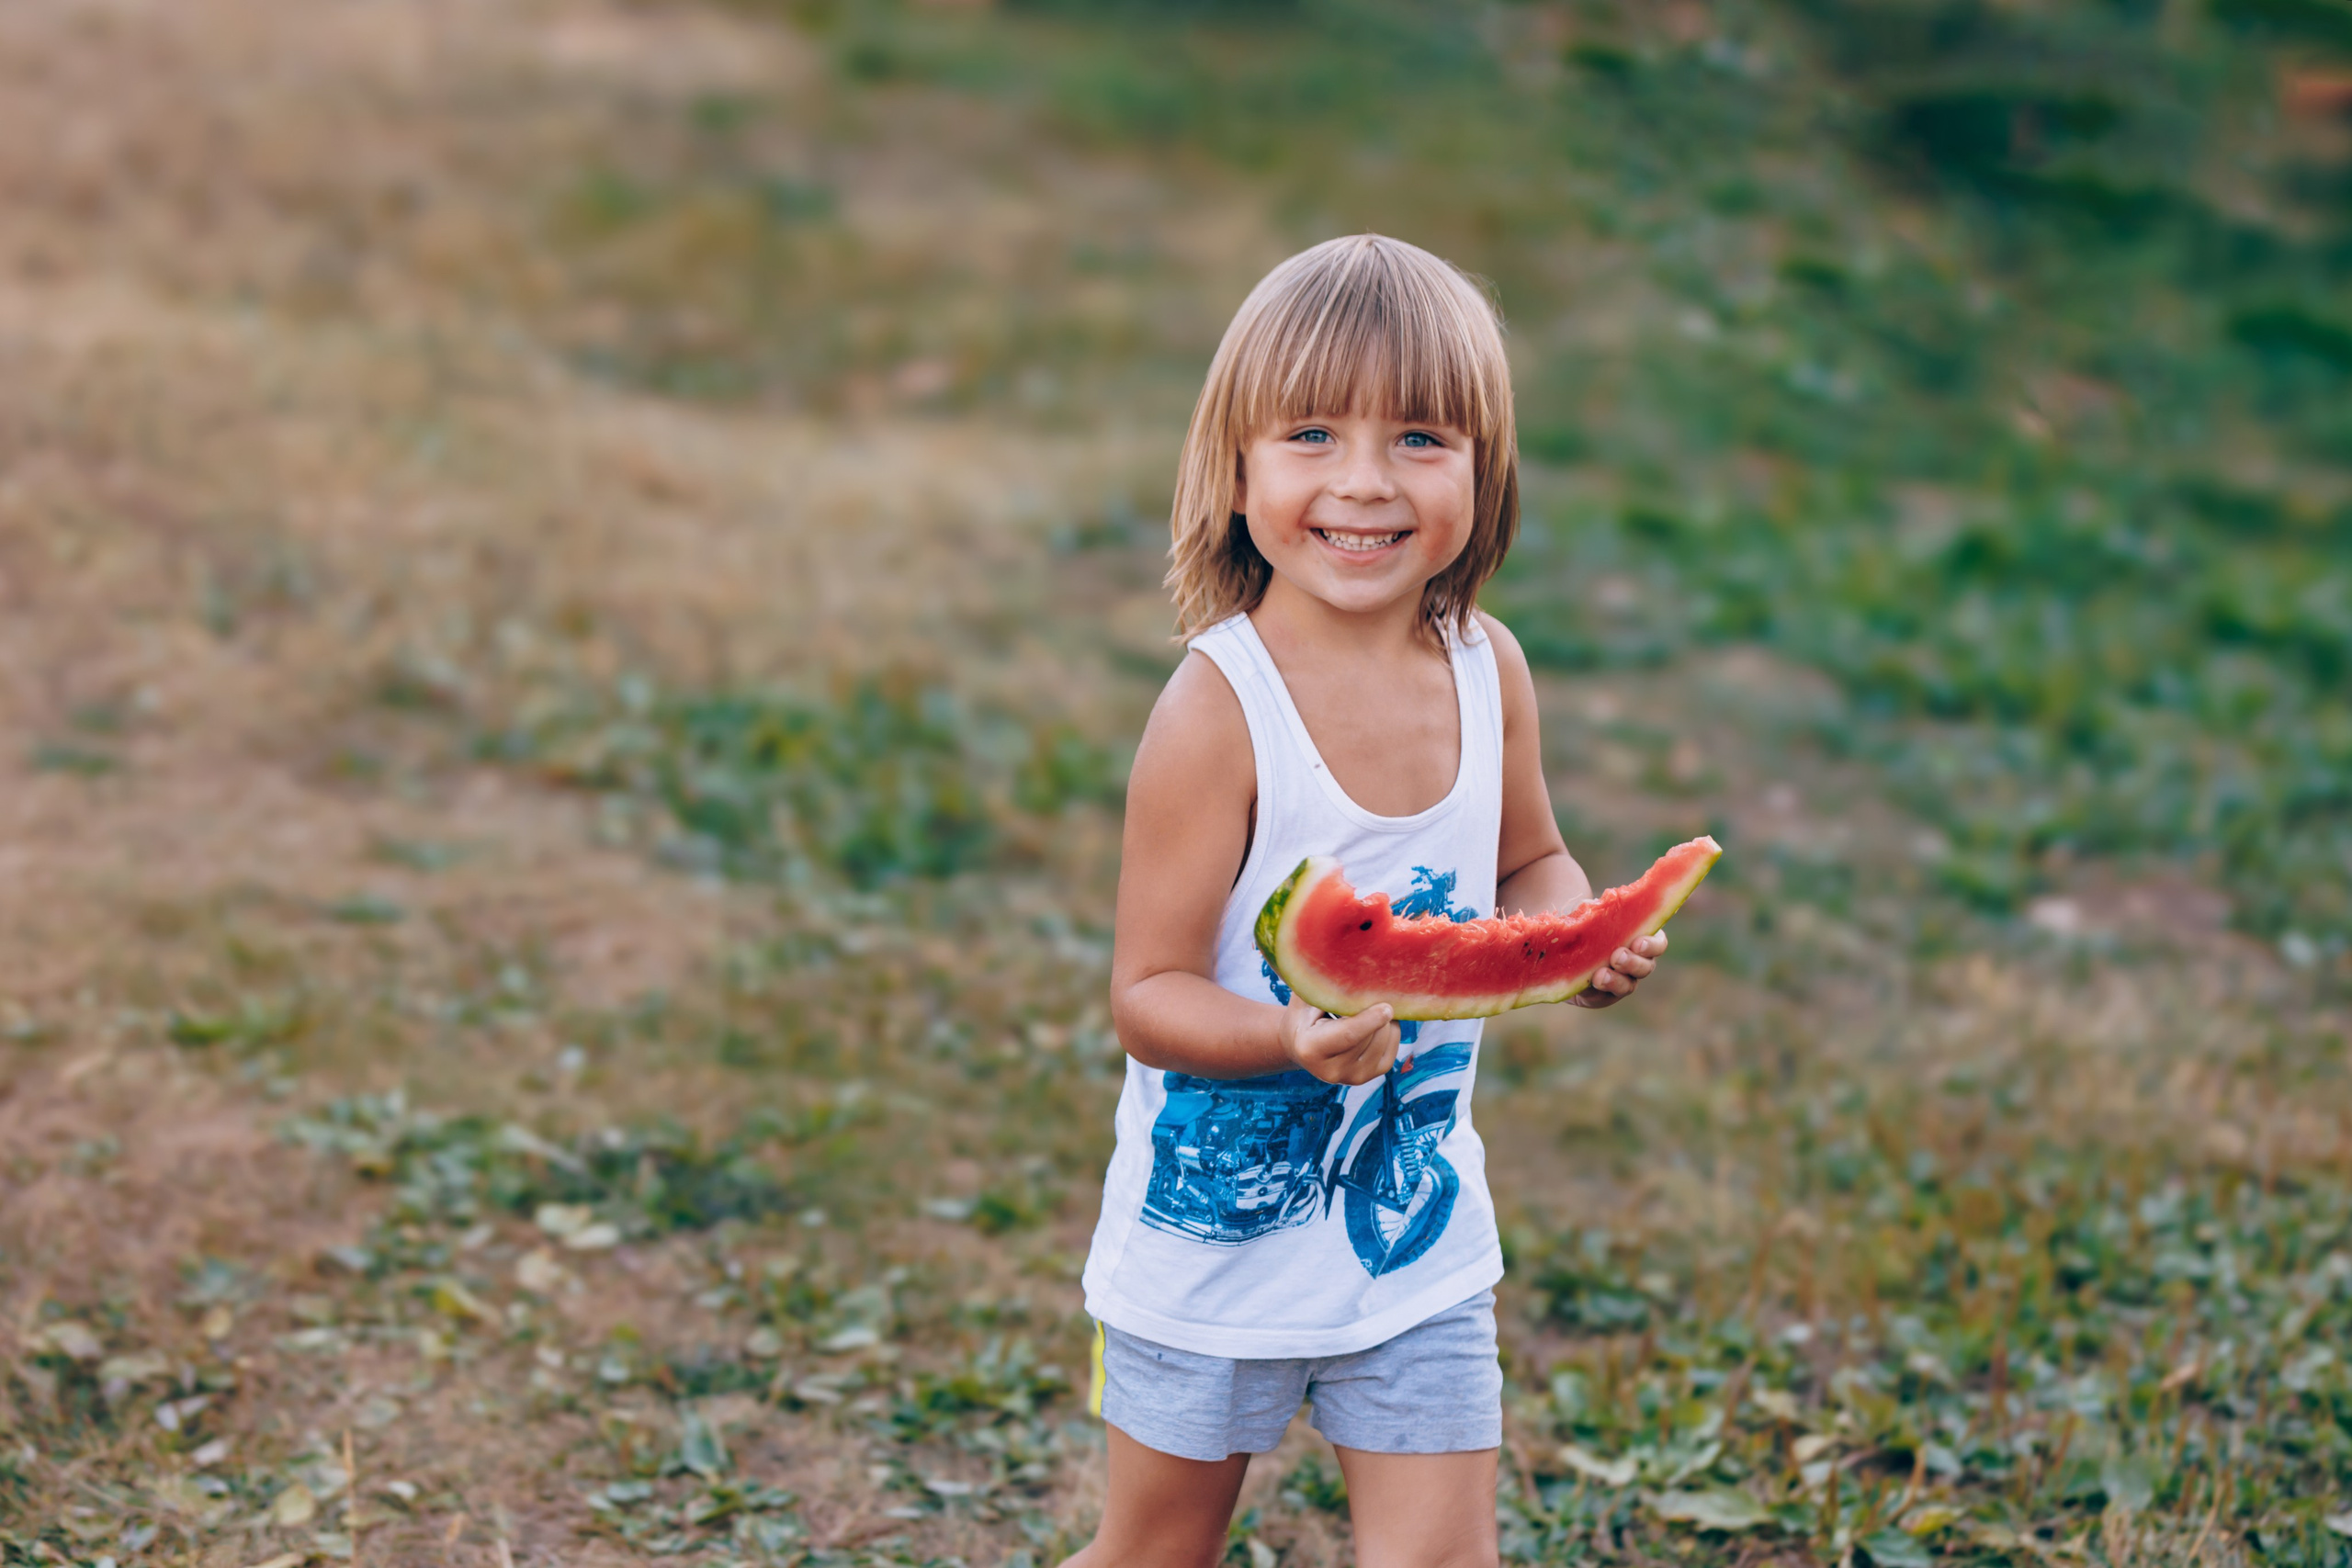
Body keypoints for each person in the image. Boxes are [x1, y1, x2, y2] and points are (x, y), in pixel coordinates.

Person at [1068, 233, 1669, 1568]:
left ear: (1483, 472)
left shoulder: (1487, 667)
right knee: (1155, 1558)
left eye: (1419, 440)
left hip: (1414, 1239)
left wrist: (1567, 942)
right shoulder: (1217, 711)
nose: (1363, 482)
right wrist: (1289, 1036)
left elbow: (1531, 864)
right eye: (1312, 435)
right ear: (1237, 471)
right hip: (1212, 1255)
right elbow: (1148, 995)